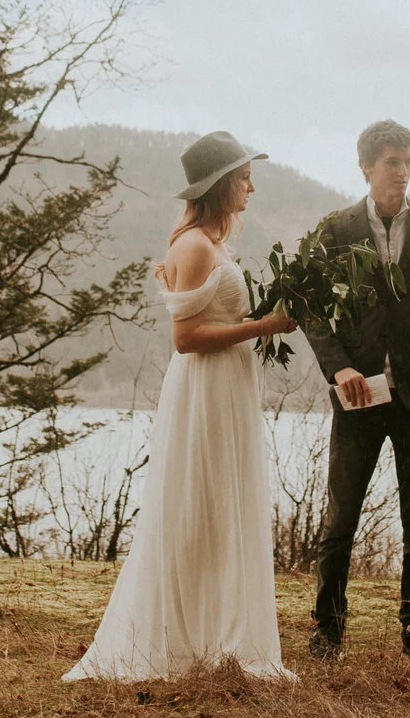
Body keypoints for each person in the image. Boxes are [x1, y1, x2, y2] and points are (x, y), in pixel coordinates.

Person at [64, 131, 298, 682]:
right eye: (243, 179)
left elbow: (216, 322)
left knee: (223, 508)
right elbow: (186, 337)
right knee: (200, 507)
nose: (251, 187)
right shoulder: (193, 246)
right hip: (204, 392)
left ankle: (221, 638)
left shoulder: (215, 247)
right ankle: (186, 641)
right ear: (220, 186)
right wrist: (266, 326)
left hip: (227, 389)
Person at [301, 120, 410, 659]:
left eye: (408, 162)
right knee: (341, 519)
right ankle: (328, 633)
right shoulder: (335, 228)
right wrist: (338, 370)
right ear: (366, 166)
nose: (402, 172)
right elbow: (310, 306)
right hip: (357, 397)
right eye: (392, 163)